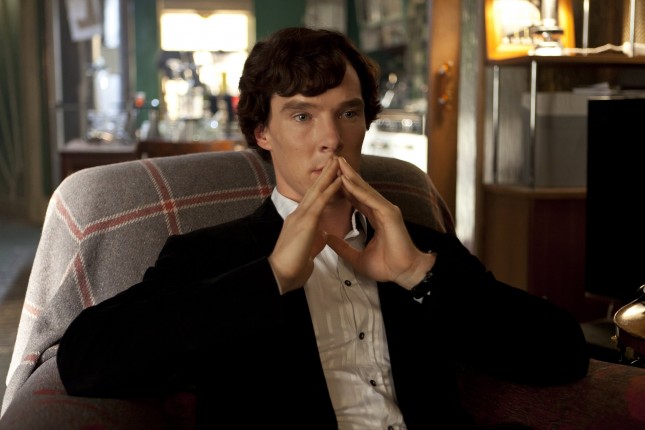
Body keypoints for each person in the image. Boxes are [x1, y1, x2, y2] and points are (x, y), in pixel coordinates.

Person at [57, 27, 589, 429]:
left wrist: (418, 274)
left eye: (348, 113)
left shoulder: (420, 245)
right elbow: (83, 361)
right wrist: (269, 278)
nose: (331, 138)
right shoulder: (212, 255)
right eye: (302, 116)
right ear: (262, 131)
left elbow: (562, 353)